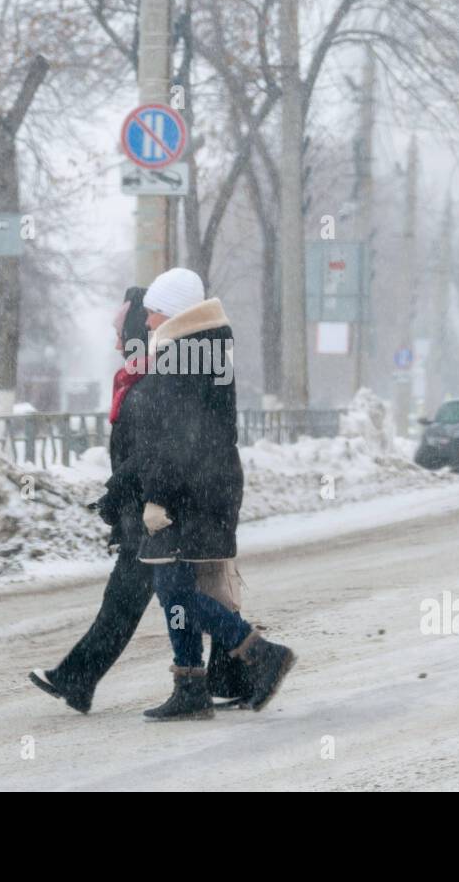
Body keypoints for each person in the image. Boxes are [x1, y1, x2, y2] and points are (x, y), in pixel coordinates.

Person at [29, 287, 252, 712]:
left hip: (162, 504)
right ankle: (232, 674)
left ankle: (251, 663)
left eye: (122, 332)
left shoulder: (163, 374)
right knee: (179, 593)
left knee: (160, 596)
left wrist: (131, 497)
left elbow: (157, 448)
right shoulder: (143, 374)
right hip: (158, 500)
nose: (116, 342)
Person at [120, 267, 296, 720]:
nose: (150, 321)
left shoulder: (183, 355)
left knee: (173, 587)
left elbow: (175, 437)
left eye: (155, 312)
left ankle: (256, 653)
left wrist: (158, 496)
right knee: (176, 583)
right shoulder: (206, 348)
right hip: (208, 483)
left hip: (188, 489)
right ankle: (192, 686)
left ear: (174, 313)